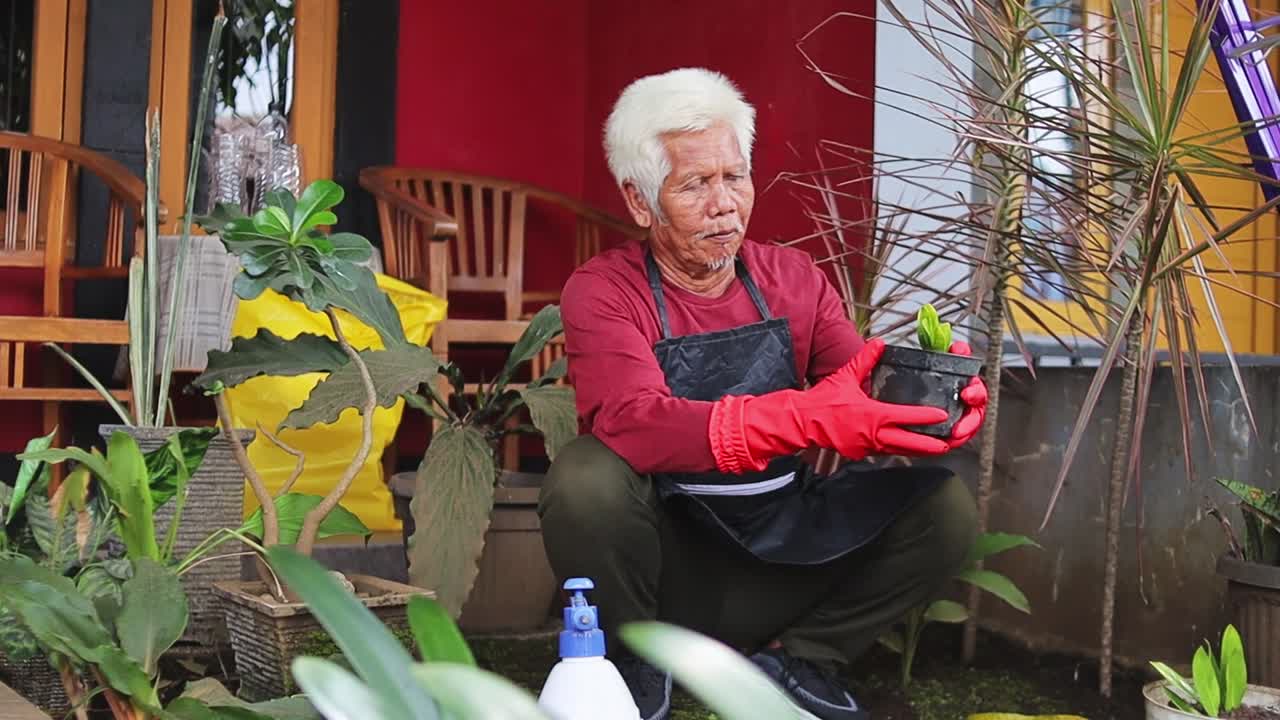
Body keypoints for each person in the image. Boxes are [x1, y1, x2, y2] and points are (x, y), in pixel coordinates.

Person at [538, 67, 987, 720]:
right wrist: (801, 418)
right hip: (669, 569)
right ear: (640, 202)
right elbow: (633, 422)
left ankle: (797, 661)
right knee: (584, 478)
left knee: (946, 508)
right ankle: (636, 662)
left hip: (782, 551)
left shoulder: (792, 277)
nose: (725, 204)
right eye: (695, 184)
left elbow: (861, 383)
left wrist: (938, 398)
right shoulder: (605, 290)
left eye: (735, 177)